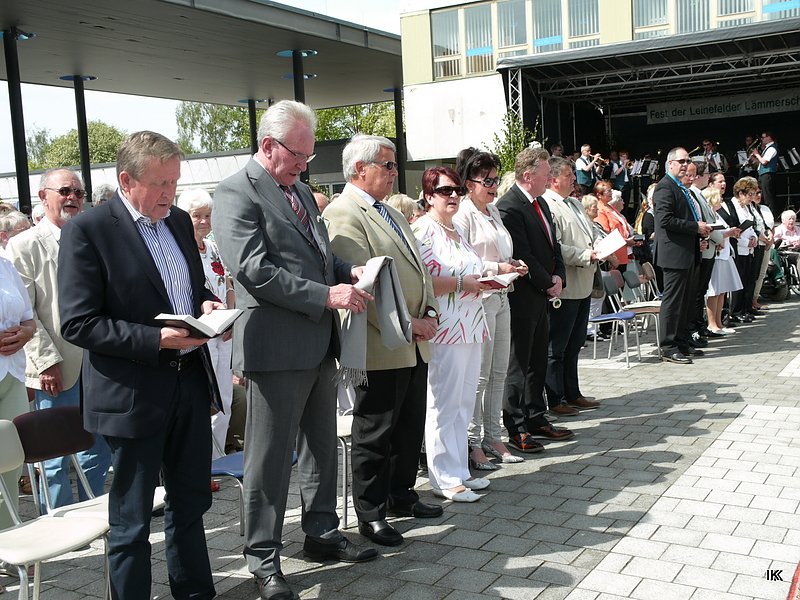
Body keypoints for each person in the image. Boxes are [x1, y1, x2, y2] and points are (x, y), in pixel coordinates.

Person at [212, 100, 376, 600]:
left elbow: (317, 255)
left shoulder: (299, 190)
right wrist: (325, 295)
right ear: (268, 145)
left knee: (321, 448)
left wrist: (346, 270)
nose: (305, 165)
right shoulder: (236, 192)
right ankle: (263, 559)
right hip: (276, 348)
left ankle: (321, 533)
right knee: (268, 460)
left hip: (317, 344)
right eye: (299, 155)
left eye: (308, 156)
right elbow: (254, 270)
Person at [58, 131, 224, 600]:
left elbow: (189, 289)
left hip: (189, 383)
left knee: (190, 503)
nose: (170, 193)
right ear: (126, 180)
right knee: (131, 520)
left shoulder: (177, 222)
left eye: (175, 181)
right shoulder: (89, 230)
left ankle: (195, 593)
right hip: (132, 395)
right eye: (160, 183)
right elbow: (78, 323)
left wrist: (207, 305)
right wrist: (155, 339)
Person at [324, 134, 442, 547]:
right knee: (376, 431)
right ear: (361, 168)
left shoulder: (388, 210)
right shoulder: (343, 212)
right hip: (380, 343)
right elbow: (362, 286)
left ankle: (401, 494)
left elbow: (420, 270)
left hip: (413, 340)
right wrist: (408, 324)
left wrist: (429, 312)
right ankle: (371, 513)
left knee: (408, 426)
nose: (395, 172)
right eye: (388, 165)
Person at [7, 169, 111, 508]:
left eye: (79, 193)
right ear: (43, 196)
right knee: (54, 455)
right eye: (65, 191)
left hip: (98, 364)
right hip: (56, 366)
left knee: (97, 447)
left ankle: (96, 515)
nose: (73, 198)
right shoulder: (24, 246)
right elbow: (26, 312)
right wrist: (46, 362)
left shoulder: (94, 239)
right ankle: (60, 520)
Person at [412, 166, 489, 502]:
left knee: (464, 403)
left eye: (458, 190)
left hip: (470, 324)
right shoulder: (423, 230)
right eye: (445, 191)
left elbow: (470, 271)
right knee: (444, 403)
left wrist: (494, 276)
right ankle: (443, 477)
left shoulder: (455, 228)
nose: (454, 196)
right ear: (429, 196)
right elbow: (421, 280)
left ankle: (460, 470)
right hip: (444, 327)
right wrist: (461, 283)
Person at [453, 149, 527, 470]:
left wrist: (513, 264)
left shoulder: (492, 211)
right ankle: (472, 442)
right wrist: (499, 267)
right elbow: (463, 260)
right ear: (469, 183)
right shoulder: (463, 214)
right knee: (480, 376)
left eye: (496, 179)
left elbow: (500, 252)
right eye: (487, 181)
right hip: (479, 300)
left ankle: (494, 436)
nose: (494, 186)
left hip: (501, 295)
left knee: (499, 372)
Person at [496, 147, 572, 454]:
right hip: (522, 296)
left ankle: (536, 416)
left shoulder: (540, 203)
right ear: (528, 175)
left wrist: (559, 276)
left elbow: (554, 246)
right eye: (546, 173)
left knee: (538, 359)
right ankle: (516, 426)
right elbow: (522, 253)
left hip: (540, 294)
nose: (550, 178)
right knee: (519, 363)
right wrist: (547, 282)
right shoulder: (509, 206)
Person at [176, 188, 235, 464]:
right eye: (196, 215)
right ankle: (204, 462)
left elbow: (228, 285)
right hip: (200, 333)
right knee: (206, 398)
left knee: (225, 397)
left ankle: (218, 458)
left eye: (207, 215)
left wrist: (231, 318)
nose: (203, 221)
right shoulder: (181, 249)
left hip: (223, 331)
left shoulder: (213, 247)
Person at [541, 157, 600, 417]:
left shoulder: (574, 203)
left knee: (575, 344)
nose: (574, 179)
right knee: (557, 347)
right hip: (565, 286)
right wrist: (586, 255)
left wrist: (602, 247)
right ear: (553, 179)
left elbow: (591, 233)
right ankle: (556, 398)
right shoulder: (548, 204)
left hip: (583, 283)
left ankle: (572, 392)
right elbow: (555, 247)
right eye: (569, 175)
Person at [653, 147, 713, 364]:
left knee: (686, 302)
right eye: (682, 161)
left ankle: (681, 342)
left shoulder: (681, 188)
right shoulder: (665, 187)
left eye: (688, 161)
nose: (686, 165)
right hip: (674, 255)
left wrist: (698, 234)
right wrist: (695, 227)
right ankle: (668, 347)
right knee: (674, 302)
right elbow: (665, 220)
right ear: (670, 164)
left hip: (688, 252)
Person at [0, 255, 35, 532]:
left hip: (11, 373)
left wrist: (25, 334)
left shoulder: (5, 265)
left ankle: (8, 536)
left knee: (11, 464)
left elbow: (29, 320)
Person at [719, 177, 759, 324]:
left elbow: (751, 225)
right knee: (738, 281)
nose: (751, 197)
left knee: (747, 279)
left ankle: (744, 309)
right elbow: (733, 227)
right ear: (741, 193)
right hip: (738, 247)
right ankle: (736, 311)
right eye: (749, 194)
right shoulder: (730, 205)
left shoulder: (746, 207)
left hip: (748, 249)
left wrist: (754, 238)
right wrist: (746, 242)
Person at [703, 187, 741, 335]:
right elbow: (713, 233)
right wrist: (727, 233)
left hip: (724, 254)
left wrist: (729, 233)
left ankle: (719, 322)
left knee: (722, 291)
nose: (721, 199)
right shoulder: (709, 215)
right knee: (714, 291)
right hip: (716, 255)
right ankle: (712, 323)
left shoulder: (717, 214)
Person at [593, 180, 634, 272]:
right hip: (615, 252)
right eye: (608, 191)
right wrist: (626, 241)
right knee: (617, 278)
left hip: (622, 249)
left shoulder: (609, 206)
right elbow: (605, 233)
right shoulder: (600, 210)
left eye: (611, 190)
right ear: (599, 195)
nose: (611, 193)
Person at [752, 131, 779, 214]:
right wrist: (754, 158)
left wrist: (757, 154)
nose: (761, 139)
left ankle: (771, 215)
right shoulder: (767, 148)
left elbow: (764, 162)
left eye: (763, 137)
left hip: (767, 174)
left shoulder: (772, 148)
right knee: (762, 196)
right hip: (763, 174)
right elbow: (761, 161)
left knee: (768, 197)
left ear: (769, 138)